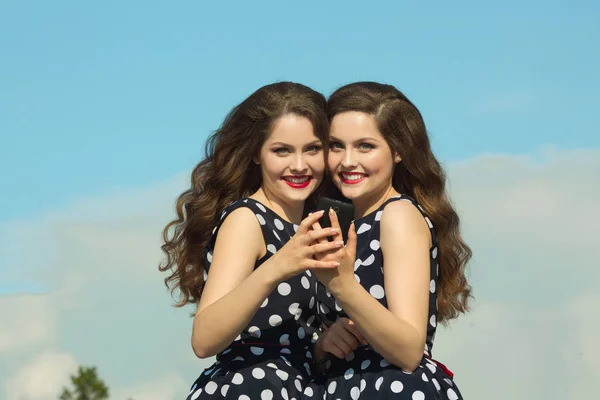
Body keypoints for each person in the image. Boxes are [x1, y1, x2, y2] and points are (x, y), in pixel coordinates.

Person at [159, 82, 345, 400]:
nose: (299, 165)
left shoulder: (313, 223)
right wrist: (277, 266)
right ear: (256, 154)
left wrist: (321, 345)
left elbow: (286, 335)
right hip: (251, 388)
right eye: (281, 150)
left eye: (312, 149)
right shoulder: (247, 220)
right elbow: (204, 339)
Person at [310, 82, 472, 399]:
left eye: (365, 146)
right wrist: (323, 344)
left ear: (398, 151)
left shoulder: (398, 215)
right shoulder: (342, 221)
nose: (347, 161)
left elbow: (409, 350)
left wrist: (344, 287)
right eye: (336, 146)